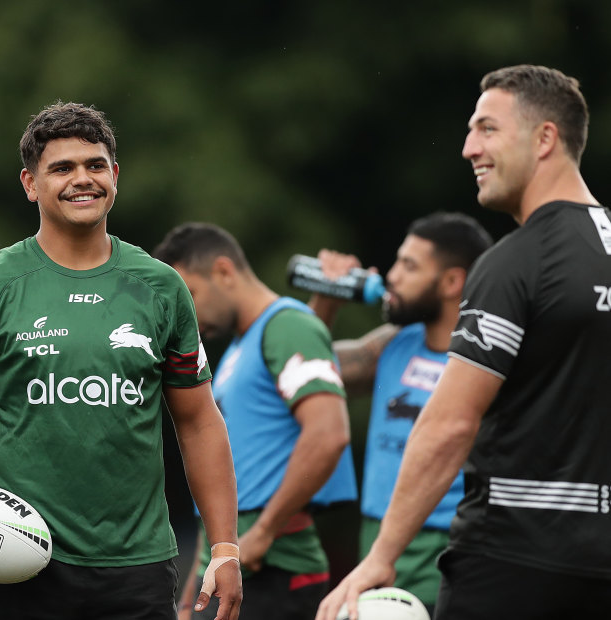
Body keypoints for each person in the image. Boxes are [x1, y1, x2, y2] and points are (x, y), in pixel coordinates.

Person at [316, 64, 611, 620]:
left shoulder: (516, 263)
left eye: (487, 129)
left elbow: (450, 423)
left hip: (514, 559)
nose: (468, 148)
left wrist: (382, 556)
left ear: (545, 138)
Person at [0, 102, 241, 620]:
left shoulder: (160, 286)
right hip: (20, 563)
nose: (82, 180)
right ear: (30, 183)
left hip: (137, 568)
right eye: (62, 168)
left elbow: (197, 420)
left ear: (115, 176)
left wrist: (225, 548)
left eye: (95, 165)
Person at [153, 223, 358, 620]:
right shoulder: (238, 350)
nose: (185, 312)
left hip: (274, 570)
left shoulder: (286, 324)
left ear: (225, 272)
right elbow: (219, 484)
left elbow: (328, 434)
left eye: (189, 294)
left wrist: (263, 532)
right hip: (228, 567)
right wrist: (187, 597)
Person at [308, 212, 492, 616]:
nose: (391, 276)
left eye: (409, 266)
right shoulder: (392, 345)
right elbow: (301, 374)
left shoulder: (488, 364)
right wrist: (326, 298)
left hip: (451, 553)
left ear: (451, 282)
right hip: (377, 548)